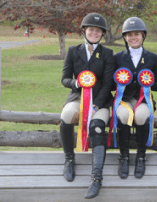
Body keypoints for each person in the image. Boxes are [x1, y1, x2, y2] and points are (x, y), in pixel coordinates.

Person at [60, 13, 114, 198]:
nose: (94, 33)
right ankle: (69, 159)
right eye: (91, 29)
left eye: (98, 31)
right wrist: (76, 84)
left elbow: (108, 83)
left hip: (101, 101)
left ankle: (97, 178)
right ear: (84, 30)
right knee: (66, 115)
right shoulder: (73, 51)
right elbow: (65, 78)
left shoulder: (107, 54)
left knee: (97, 127)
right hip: (78, 97)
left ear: (102, 34)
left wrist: (96, 105)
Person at [113, 17, 157, 179]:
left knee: (141, 115)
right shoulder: (117, 58)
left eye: (137, 34)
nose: (133, 37)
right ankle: (124, 156)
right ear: (125, 37)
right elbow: (113, 83)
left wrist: (147, 82)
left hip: (143, 99)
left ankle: (141, 156)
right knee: (123, 115)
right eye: (130, 34)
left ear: (143, 36)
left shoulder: (153, 58)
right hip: (124, 99)